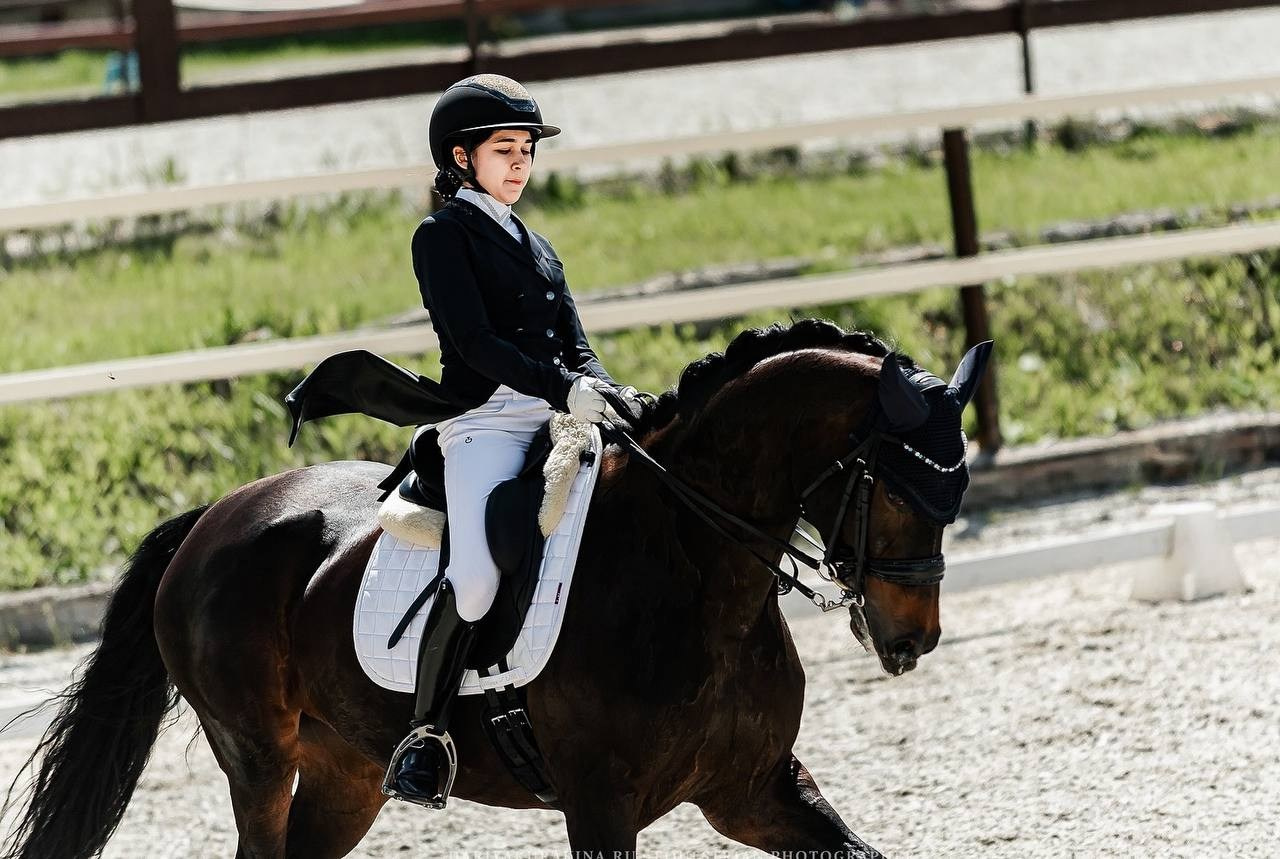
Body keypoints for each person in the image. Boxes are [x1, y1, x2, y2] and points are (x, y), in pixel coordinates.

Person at [382, 73, 642, 809]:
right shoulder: (441, 237)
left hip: (559, 417)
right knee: (474, 578)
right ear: (462, 159)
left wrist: (607, 390)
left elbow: (576, 343)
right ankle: (425, 737)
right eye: (505, 149)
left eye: (527, 149)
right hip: (485, 422)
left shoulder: (538, 243)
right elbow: (474, 342)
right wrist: (564, 387)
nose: (521, 162)